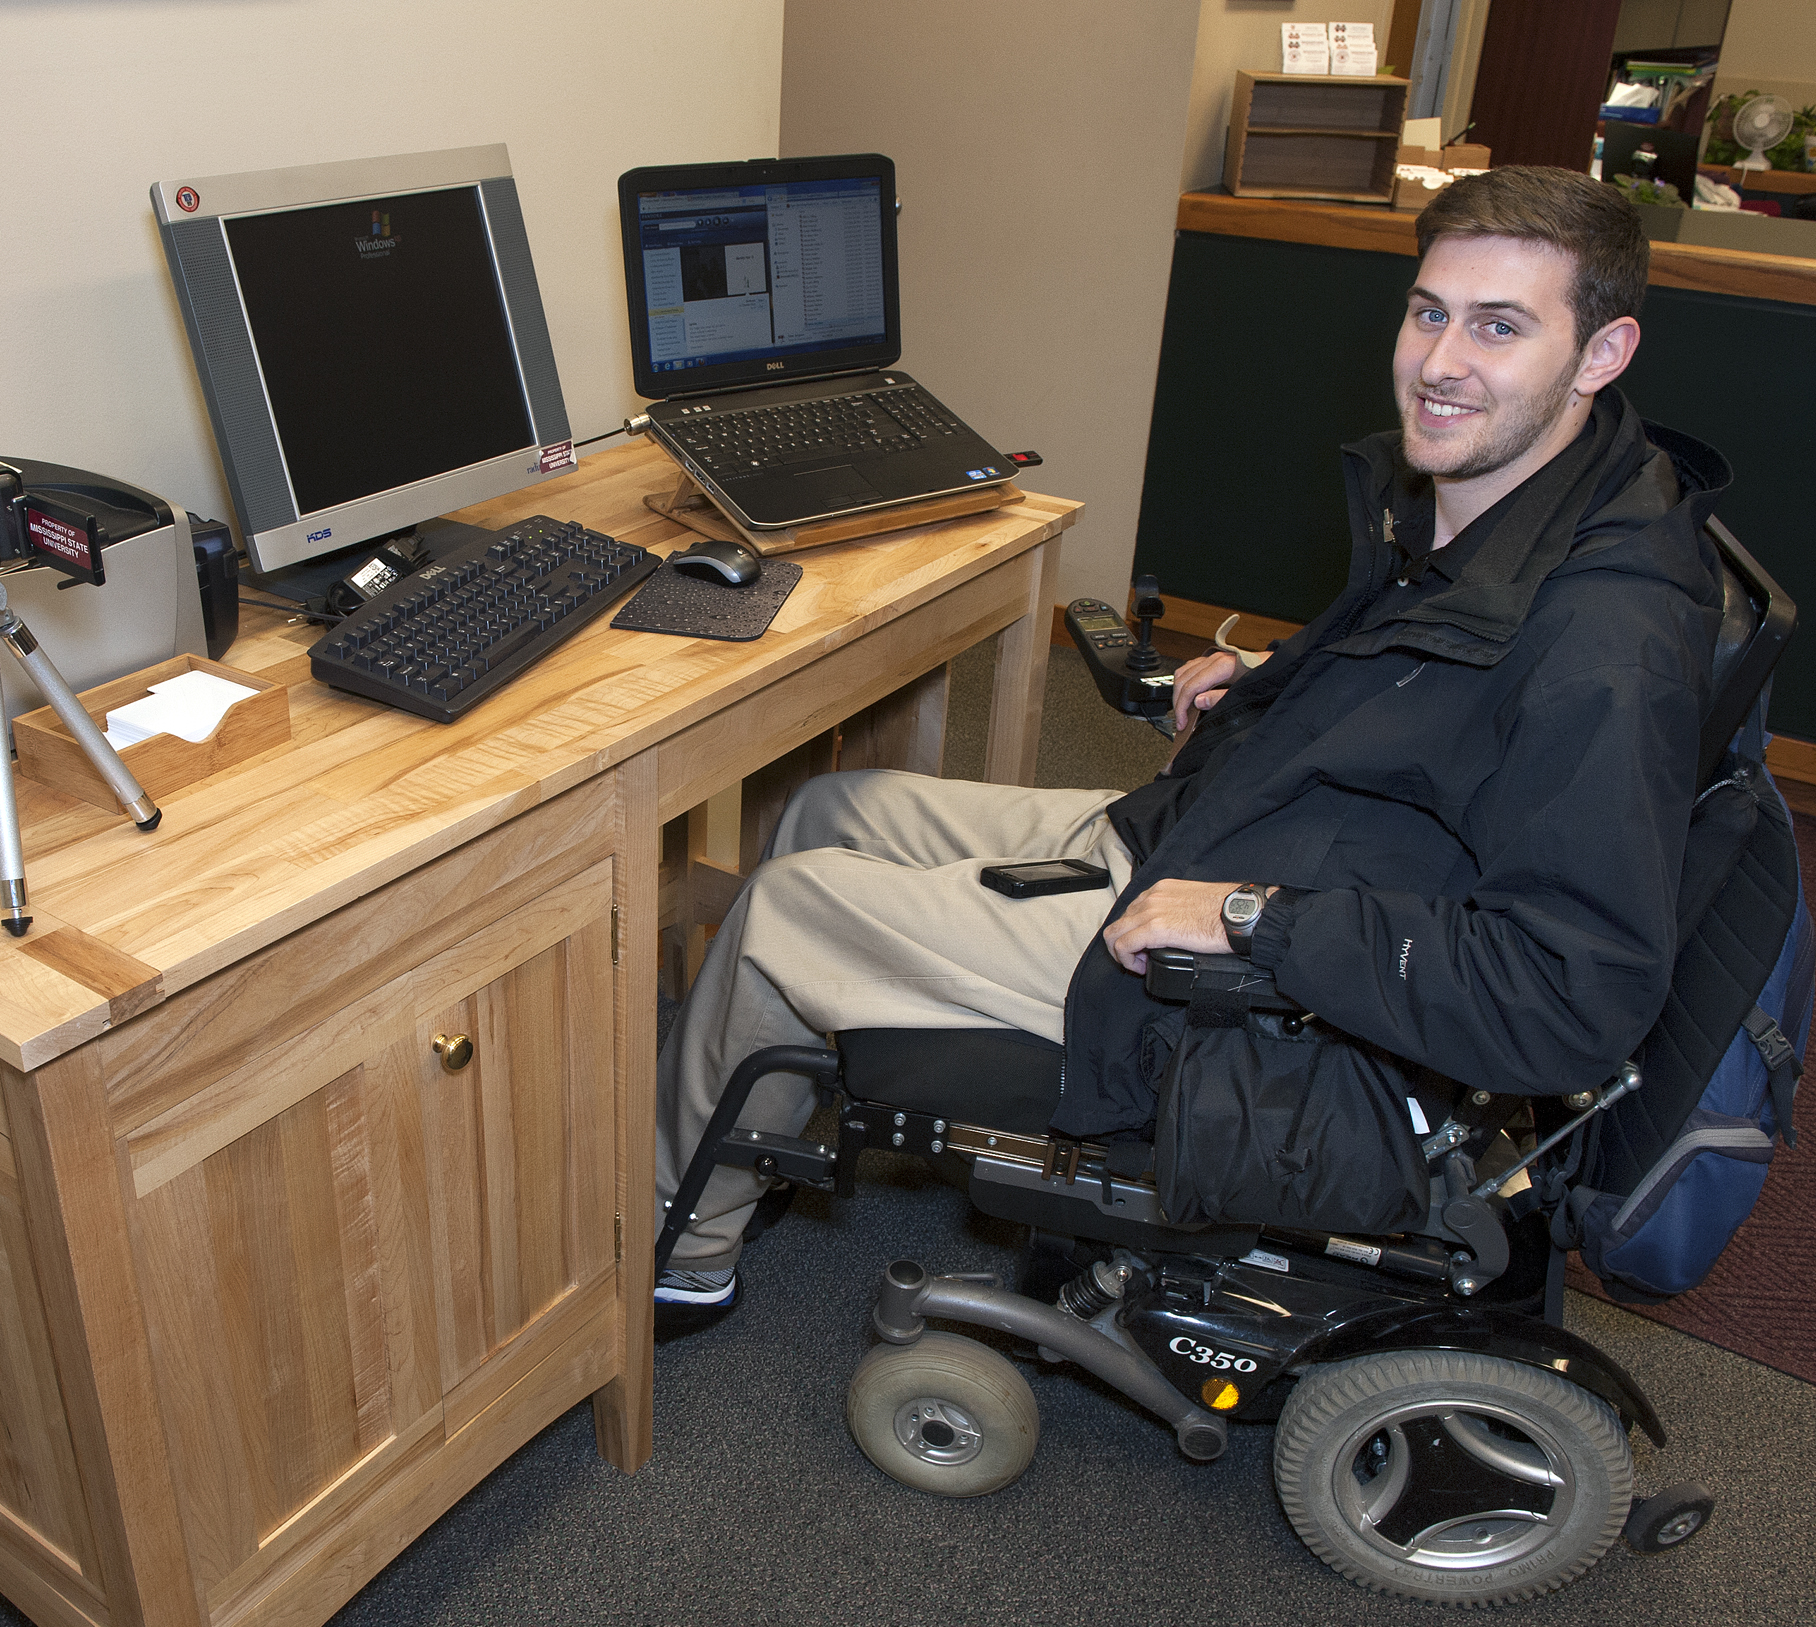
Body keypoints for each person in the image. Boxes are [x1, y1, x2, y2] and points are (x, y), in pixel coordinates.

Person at [653, 165, 1730, 1324]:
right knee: (835, 810)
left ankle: (675, 1245)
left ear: (1602, 352)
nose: (1439, 362)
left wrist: (1248, 919)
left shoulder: (1606, 644)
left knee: (782, 910)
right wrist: (1285, 677)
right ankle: (745, 1130)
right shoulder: (1538, 491)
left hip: (1254, 971)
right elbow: (1450, 682)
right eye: (1429, 311)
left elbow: (1571, 994)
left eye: (1499, 326)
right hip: (1242, 824)